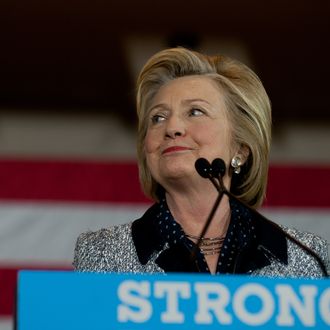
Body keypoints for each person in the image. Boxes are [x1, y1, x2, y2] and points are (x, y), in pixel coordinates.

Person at [73, 47, 328, 277]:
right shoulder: (101, 254)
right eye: (158, 118)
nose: (172, 127)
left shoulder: (308, 257)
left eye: (195, 111)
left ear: (241, 148)